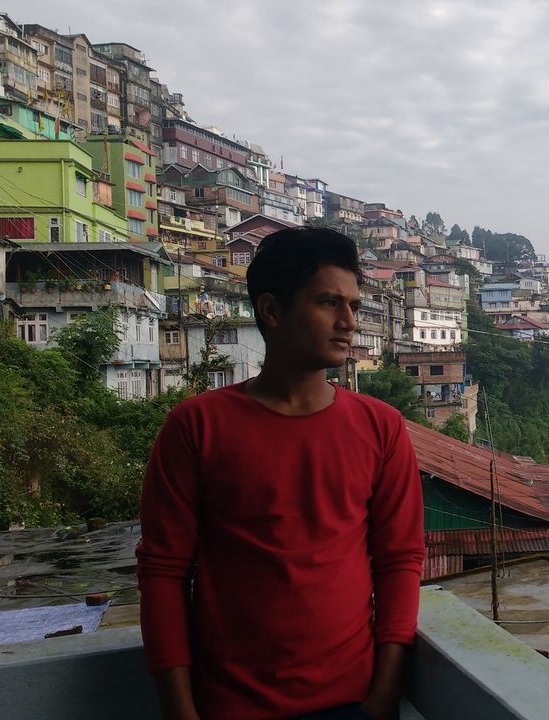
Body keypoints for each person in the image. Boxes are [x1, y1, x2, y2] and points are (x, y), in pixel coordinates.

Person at [137, 227, 426, 719]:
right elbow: (163, 573)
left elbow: (399, 561)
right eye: (329, 303)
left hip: (350, 703)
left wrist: (383, 696)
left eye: (354, 306)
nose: (349, 322)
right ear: (271, 310)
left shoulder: (382, 429)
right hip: (228, 706)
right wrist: (181, 712)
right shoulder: (197, 427)